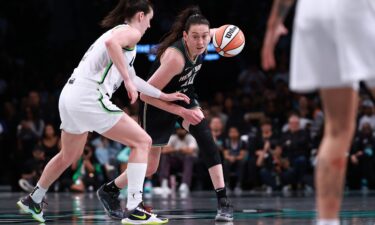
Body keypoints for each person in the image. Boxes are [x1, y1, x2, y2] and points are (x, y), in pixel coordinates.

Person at [17, 0, 189, 224]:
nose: (149, 25)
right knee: (142, 142)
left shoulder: (120, 36)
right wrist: (126, 81)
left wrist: (163, 96)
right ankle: (135, 208)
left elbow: (134, 77)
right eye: (149, 19)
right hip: (88, 96)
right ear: (140, 16)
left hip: (70, 96)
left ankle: (34, 198)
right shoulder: (129, 33)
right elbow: (112, 46)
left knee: (68, 155)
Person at [98, 6, 234, 222]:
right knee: (150, 168)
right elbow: (145, 95)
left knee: (206, 137)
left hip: (183, 95)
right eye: (195, 37)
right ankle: (109, 189)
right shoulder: (175, 58)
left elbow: (225, 33)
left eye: (205, 36)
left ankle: (223, 201)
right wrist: (181, 111)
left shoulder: (206, 39)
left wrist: (235, 36)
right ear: (185, 36)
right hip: (156, 103)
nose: (201, 42)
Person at [261, 0, 375, 225]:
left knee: (336, 130)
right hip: (357, 8)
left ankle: (327, 222)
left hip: (313, 12)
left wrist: (273, 25)